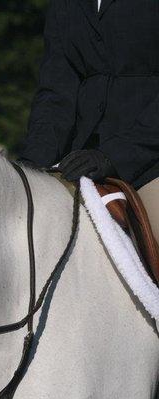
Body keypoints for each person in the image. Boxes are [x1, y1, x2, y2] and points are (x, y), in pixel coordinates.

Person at [19, 0, 159, 237]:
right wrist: (30, 165)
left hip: (150, 161)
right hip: (81, 158)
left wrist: (114, 155)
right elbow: (56, 92)